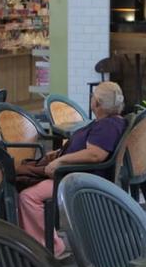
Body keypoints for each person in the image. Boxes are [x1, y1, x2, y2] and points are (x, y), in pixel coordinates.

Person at [17, 81, 126, 256]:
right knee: (21, 175)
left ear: (96, 103)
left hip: (75, 178)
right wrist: (61, 152)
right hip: (72, 173)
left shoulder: (107, 126)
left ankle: (48, 246)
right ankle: (34, 240)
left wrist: (61, 161)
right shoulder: (109, 122)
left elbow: (95, 155)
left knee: (27, 196)